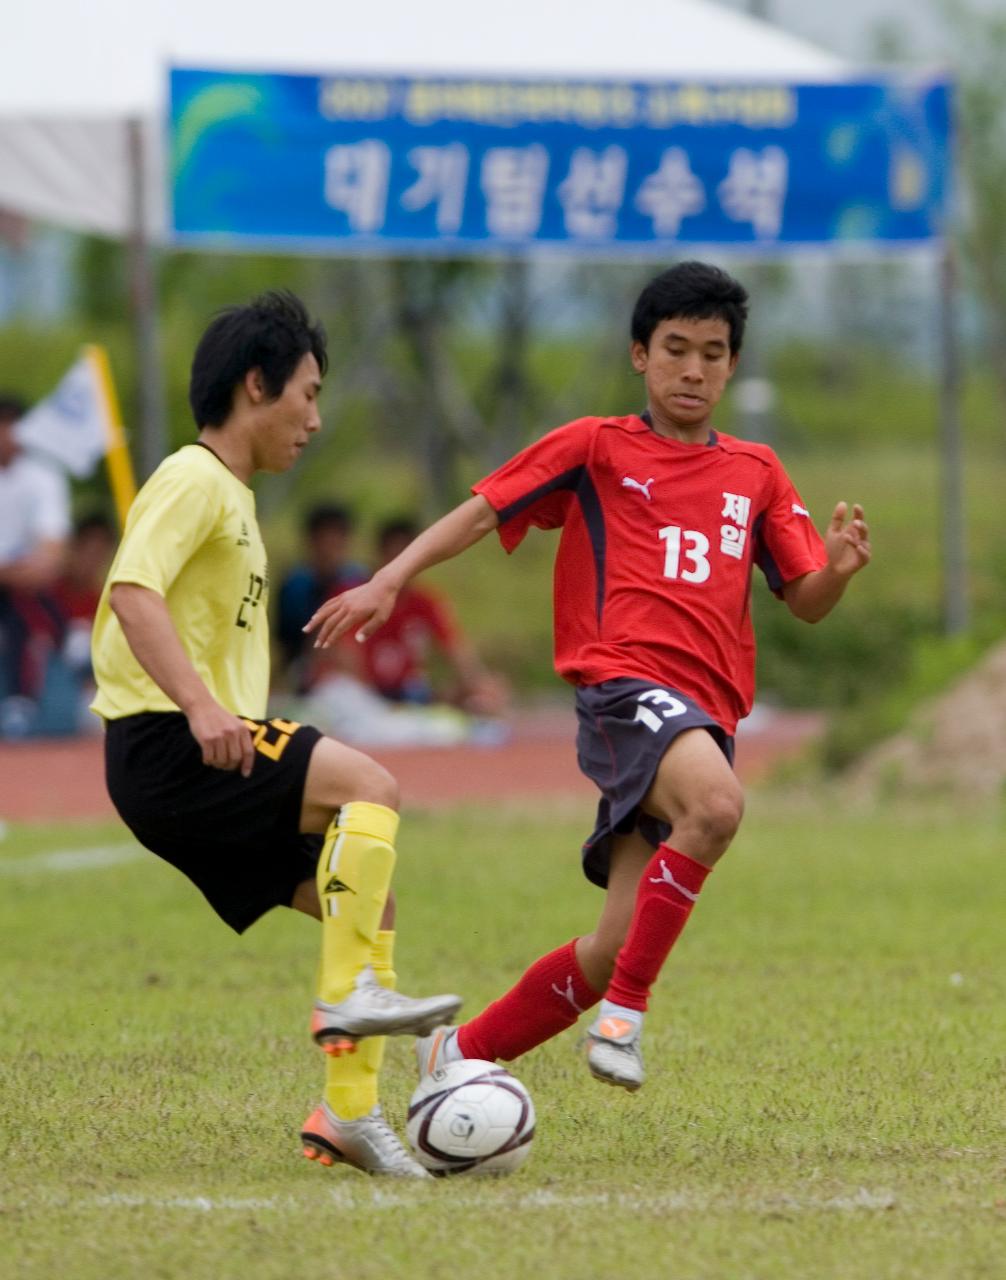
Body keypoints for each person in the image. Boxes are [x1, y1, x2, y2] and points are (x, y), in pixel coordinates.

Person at [306, 261, 871, 1094]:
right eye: (675, 349)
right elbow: (480, 508)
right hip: (623, 691)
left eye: (712, 353)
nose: (693, 369)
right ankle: (625, 1019)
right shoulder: (596, 448)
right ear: (640, 354)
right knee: (716, 807)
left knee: (609, 949)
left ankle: (456, 1056)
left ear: (733, 365)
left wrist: (843, 572)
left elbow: (806, 599)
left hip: (701, 719)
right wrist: (391, 578)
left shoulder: (756, 473)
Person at [90, 291, 460, 1177]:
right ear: (257, 385)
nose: (315, 419)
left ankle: (349, 1115)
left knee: (370, 908)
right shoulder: (193, 477)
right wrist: (202, 705)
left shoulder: (237, 502)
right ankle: (351, 999)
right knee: (374, 786)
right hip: (175, 743)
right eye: (308, 393)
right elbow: (132, 594)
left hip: (187, 759)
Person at [358, 516, 508, 715]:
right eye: (393, 555)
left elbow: (457, 650)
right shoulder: (356, 597)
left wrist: (480, 683)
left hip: (411, 694)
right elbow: (342, 655)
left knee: (477, 695)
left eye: (404, 558)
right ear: (380, 554)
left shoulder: (426, 602)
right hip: (364, 694)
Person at [0, 393, 71, 733]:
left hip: (26, 591)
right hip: (16, 578)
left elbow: (50, 560)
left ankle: (20, 700)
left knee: (23, 608)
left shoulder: (44, 477)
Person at [276, 502, 366, 690]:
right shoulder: (295, 585)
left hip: (354, 670)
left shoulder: (357, 582)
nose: (328, 548)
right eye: (323, 540)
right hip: (305, 669)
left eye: (335, 540)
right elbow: (286, 642)